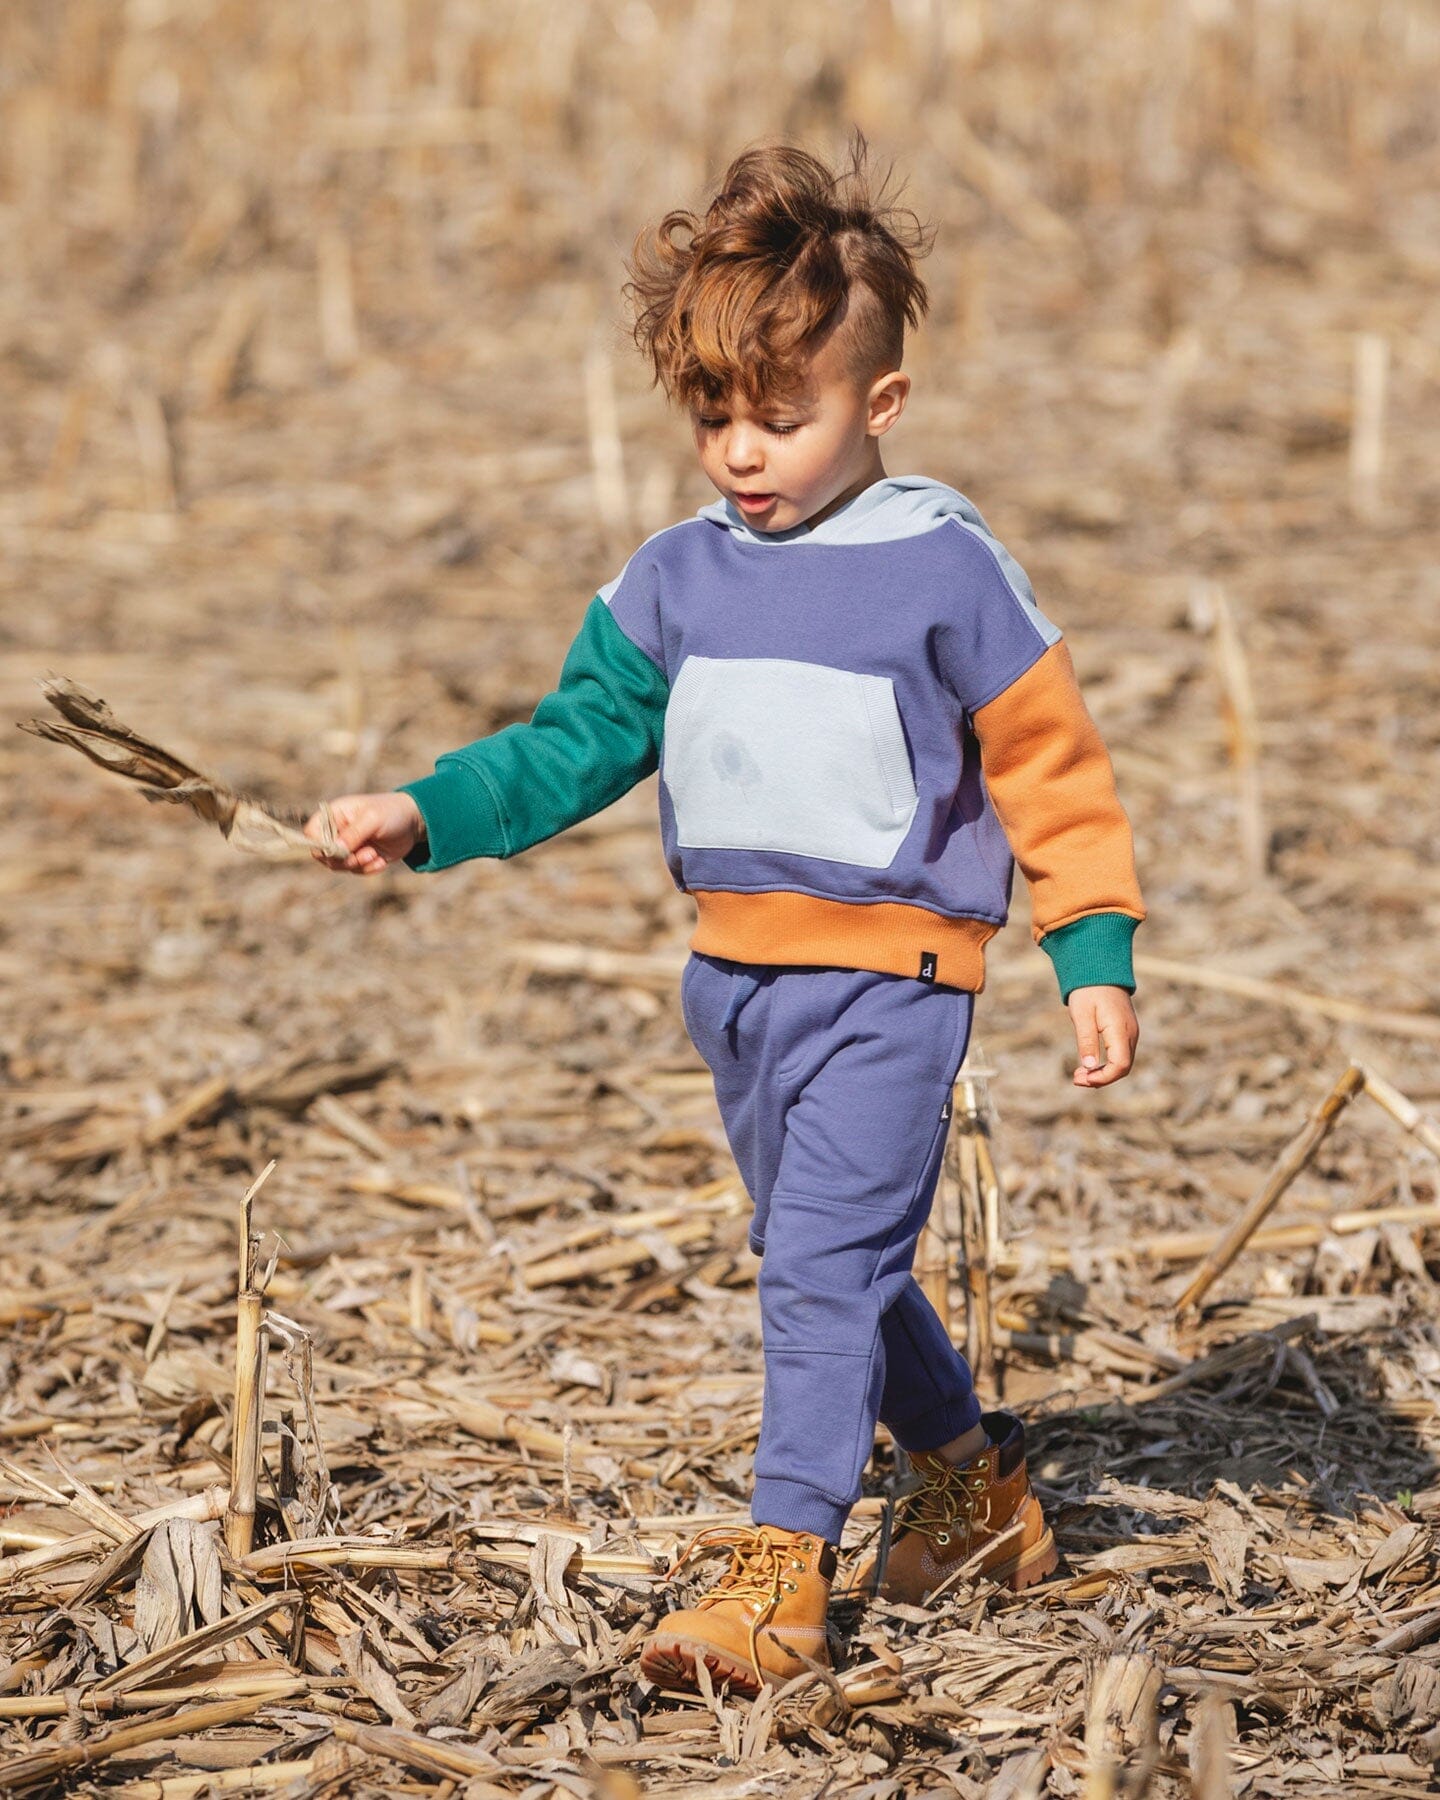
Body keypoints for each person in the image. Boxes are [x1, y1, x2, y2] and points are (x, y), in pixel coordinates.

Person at [305, 137, 1144, 1696]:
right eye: (712, 419)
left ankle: (780, 1581)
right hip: (736, 987)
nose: (741, 454)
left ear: (878, 405)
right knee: (845, 1261)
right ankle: (979, 1500)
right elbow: (571, 743)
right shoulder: (673, 579)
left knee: (818, 1268)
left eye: (781, 416)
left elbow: (1052, 767)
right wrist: (427, 813)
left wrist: (1090, 943)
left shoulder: (944, 571)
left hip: (894, 981)